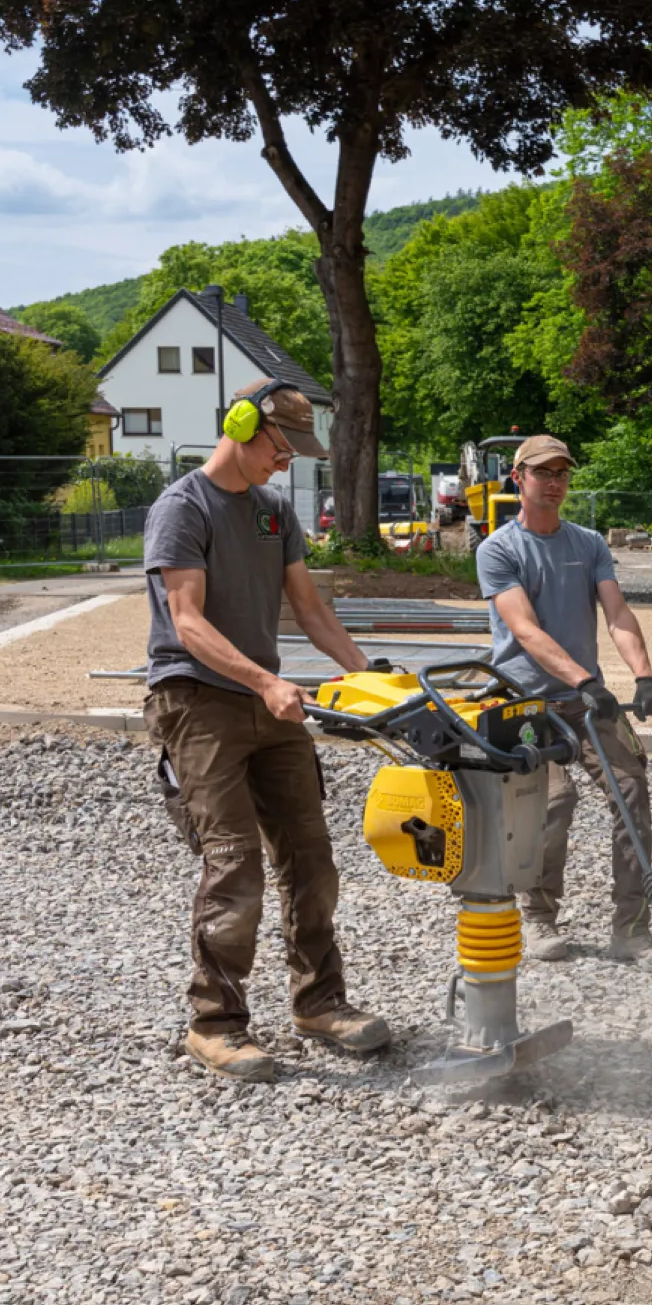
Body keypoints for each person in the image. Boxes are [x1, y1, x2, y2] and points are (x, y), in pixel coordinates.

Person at [143, 378, 390, 1082]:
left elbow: (309, 609)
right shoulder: (181, 508)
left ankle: (319, 1002)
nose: (287, 463)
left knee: (311, 857)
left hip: (269, 702)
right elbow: (187, 622)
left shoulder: (275, 511)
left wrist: (369, 677)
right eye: (281, 450)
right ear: (243, 425)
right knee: (233, 863)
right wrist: (265, 681)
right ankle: (215, 1024)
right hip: (198, 701)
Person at [474, 435, 652, 962]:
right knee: (552, 802)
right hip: (525, 703)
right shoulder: (498, 550)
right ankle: (538, 919)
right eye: (544, 473)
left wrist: (644, 678)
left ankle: (631, 928)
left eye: (562, 473)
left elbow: (618, 614)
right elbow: (526, 630)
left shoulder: (588, 544)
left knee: (631, 788)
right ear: (519, 478)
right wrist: (585, 680)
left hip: (585, 701)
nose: (555, 482)